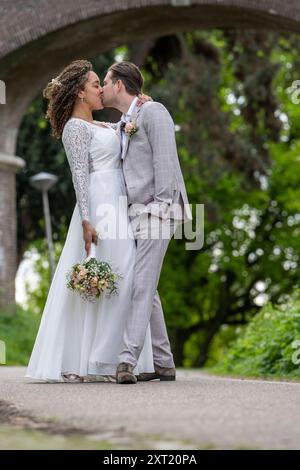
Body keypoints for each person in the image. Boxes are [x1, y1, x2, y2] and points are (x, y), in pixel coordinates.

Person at [25, 60, 154, 383]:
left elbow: (128, 129)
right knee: (100, 276)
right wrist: (86, 219)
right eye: (96, 84)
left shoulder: (105, 126)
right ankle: (83, 359)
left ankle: (115, 357)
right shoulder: (75, 128)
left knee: (123, 273)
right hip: (98, 206)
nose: (101, 90)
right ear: (81, 93)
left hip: (119, 203)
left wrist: (142, 108)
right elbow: (80, 175)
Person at [101, 61, 192, 384]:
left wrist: (161, 205)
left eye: (106, 82)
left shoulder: (154, 112)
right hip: (136, 213)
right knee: (148, 288)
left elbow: (165, 158)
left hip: (158, 210)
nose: (101, 89)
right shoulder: (126, 121)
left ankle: (127, 361)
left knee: (140, 284)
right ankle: (164, 363)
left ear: (120, 86)